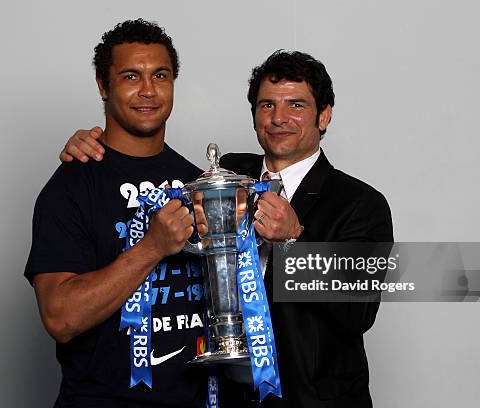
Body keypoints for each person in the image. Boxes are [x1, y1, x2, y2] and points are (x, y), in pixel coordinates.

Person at [59, 50, 393, 407]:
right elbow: (152, 171)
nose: (279, 118)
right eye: (267, 106)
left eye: (296, 105)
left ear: (323, 116)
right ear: (253, 117)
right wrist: (96, 147)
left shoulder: (361, 203)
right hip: (227, 397)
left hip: (313, 399)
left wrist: (295, 240)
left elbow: (359, 311)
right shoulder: (227, 175)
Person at [24, 19, 207, 407]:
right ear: (103, 86)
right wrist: (152, 247)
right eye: (130, 76)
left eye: (160, 75)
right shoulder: (70, 187)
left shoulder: (199, 183)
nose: (148, 90)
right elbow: (60, 317)